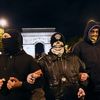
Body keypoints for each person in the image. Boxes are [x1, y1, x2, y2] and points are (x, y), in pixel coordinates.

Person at [27, 32, 88, 100]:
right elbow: (37, 78)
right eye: (55, 44)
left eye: (60, 45)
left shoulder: (74, 58)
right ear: (51, 45)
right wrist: (31, 76)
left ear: (64, 45)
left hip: (73, 97)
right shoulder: (43, 61)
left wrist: (82, 87)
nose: (58, 47)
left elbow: (85, 74)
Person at [0, 29, 42, 100]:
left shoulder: (29, 59)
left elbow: (39, 82)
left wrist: (21, 84)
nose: (4, 40)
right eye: (3, 38)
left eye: (7, 37)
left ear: (16, 40)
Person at [72, 20, 100, 100]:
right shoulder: (78, 46)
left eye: (97, 31)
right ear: (87, 32)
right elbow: (73, 67)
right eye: (92, 31)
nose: (95, 34)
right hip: (87, 87)